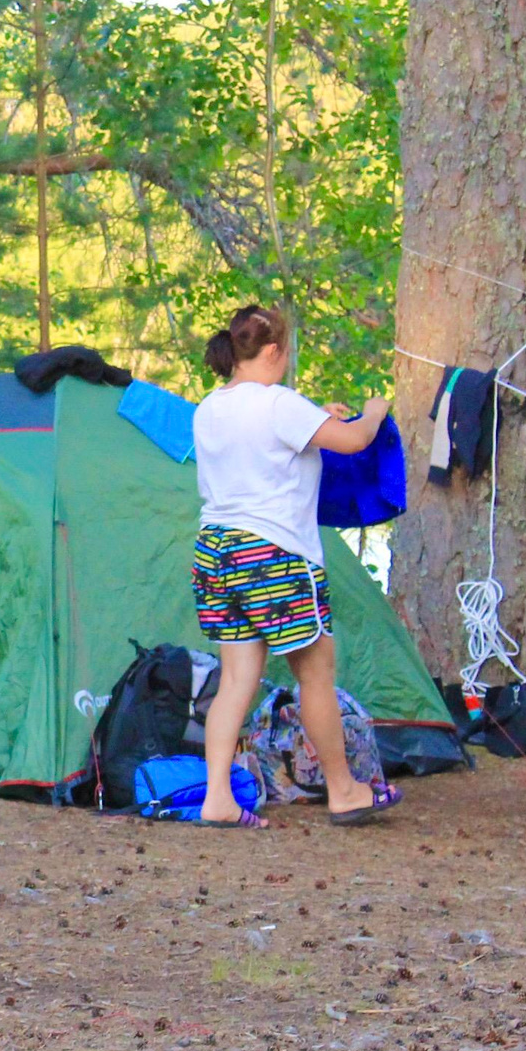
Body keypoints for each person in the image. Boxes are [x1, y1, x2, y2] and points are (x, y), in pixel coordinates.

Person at [187, 305, 395, 827]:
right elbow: (354, 441)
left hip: (216, 553)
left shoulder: (209, 408)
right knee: (315, 675)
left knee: (236, 679)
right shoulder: (279, 403)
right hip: (273, 556)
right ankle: (345, 791)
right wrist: (374, 411)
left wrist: (316, 415)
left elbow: (267, 450)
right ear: (275, 351)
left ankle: (217, 799)